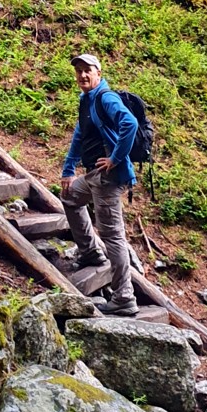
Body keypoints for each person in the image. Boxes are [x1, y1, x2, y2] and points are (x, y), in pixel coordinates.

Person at [60, 51, 138, 316]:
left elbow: (130, 123)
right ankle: (90, 252)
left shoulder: (105, 97)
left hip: (107, 178)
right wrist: (68, 169)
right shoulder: (87, 100)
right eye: (79, 71)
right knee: (69, 197)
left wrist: (116, 158)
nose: (82, 75)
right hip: (93, 176)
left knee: (113, 236)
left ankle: (124, 297)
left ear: (98, 74)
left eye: (88, 70)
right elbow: (79, 135)